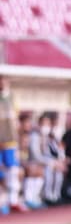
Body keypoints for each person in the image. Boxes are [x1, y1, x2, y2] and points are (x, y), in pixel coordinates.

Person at [0, 76, 23, 214]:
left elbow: (16, 121)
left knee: (12, 170)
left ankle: (13, 200)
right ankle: (2, 201)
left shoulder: (12, 98)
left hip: (10, 141)